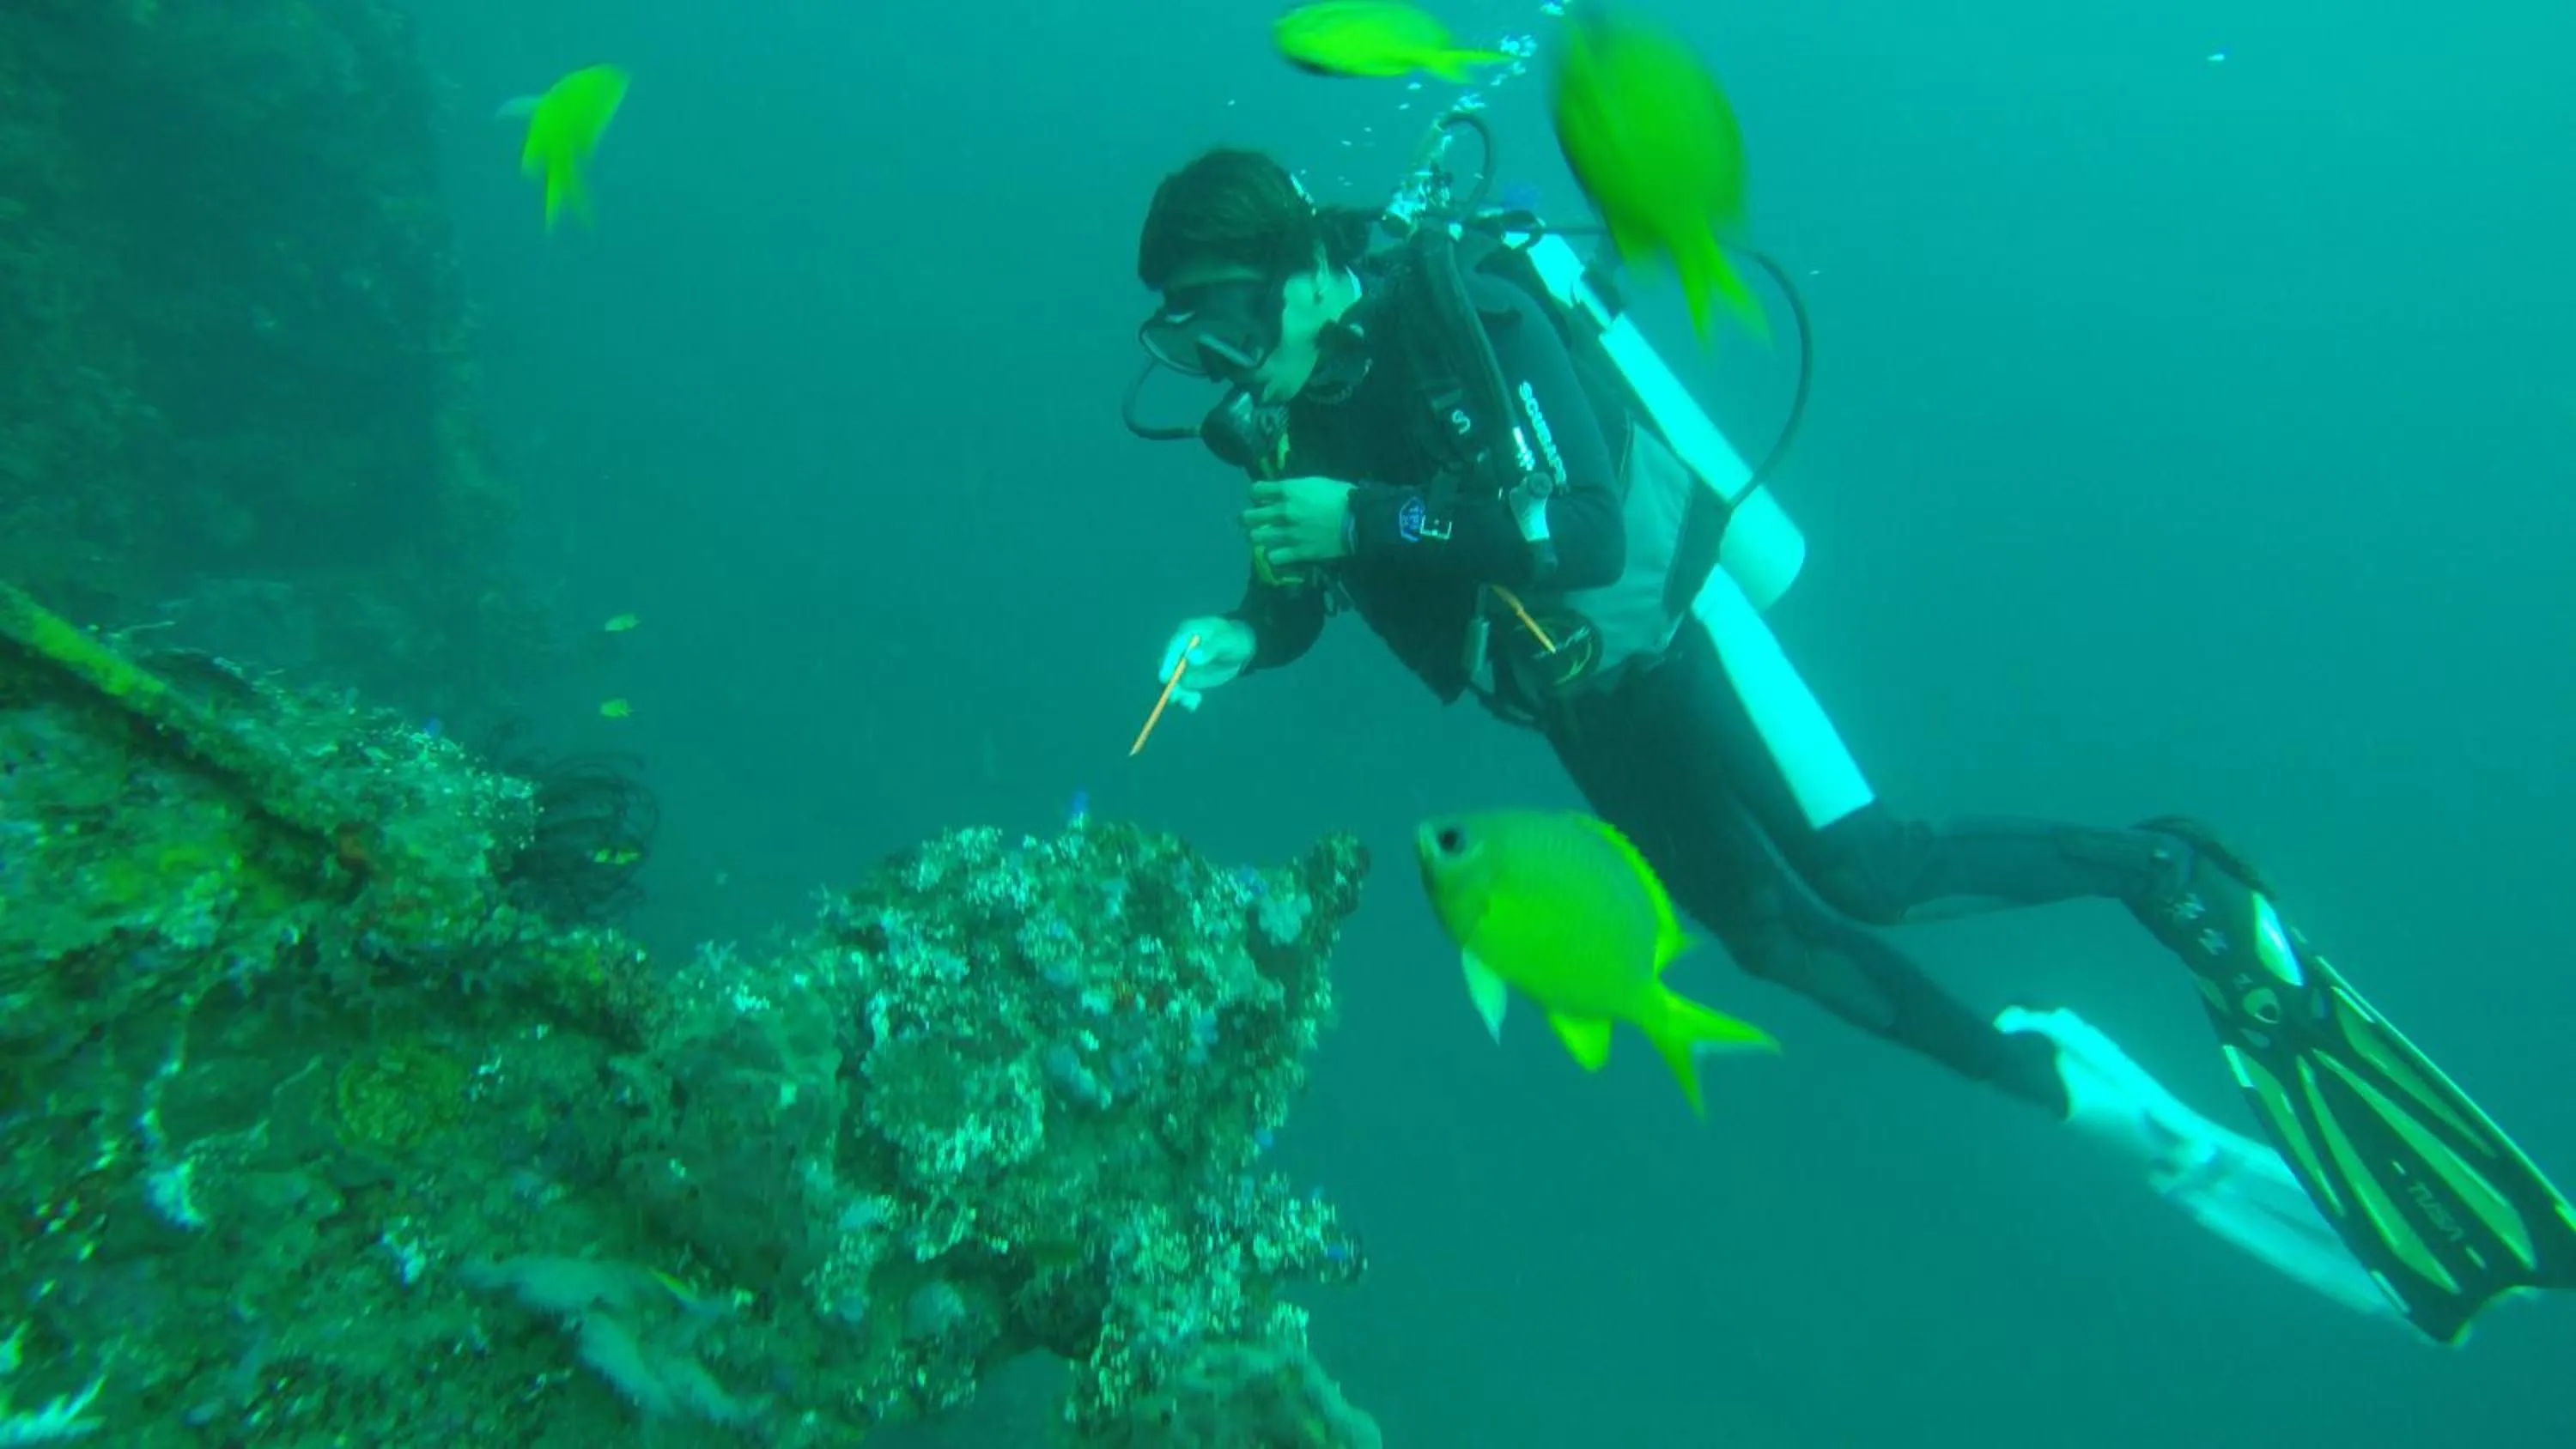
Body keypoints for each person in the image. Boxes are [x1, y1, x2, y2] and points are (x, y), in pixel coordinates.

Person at [1125, 141, 2576, 1348]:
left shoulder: (1472, 315)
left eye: (1231, 323)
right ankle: (2068, 1095)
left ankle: (2168, 875)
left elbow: (1581, 531)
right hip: (1577, 701)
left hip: (1680, 629)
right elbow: (1295, 589)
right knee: (1770, 946)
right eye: (1190, 340)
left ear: (1307, 268)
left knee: (1873, 873)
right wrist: (1240, 637)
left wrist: (1368, 516)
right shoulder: (1282, 428)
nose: (1220, 367)